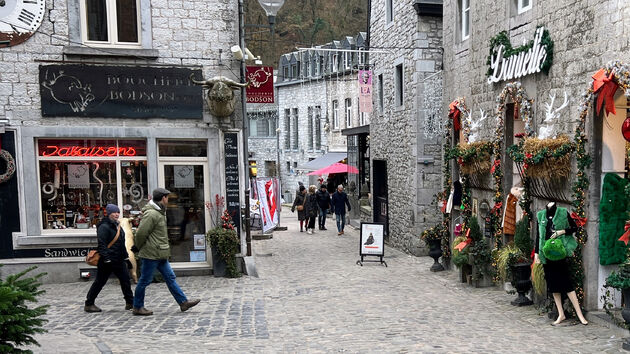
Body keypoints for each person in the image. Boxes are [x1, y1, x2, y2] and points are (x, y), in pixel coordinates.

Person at [132, 188, 200, 316]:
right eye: (167, 198)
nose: (168, 200)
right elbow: (141, 233)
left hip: (160, 252)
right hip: (151, 253)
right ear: (163, 198)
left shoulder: (159, 212)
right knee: (144, 280)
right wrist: (137, 246)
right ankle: (137, 306)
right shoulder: (152, 214)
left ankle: (183, 302)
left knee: (170, 277)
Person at [534, 202, 588, 326]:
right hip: (546, 255)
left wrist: (561, 232)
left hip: (560, 253)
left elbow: (574, 228)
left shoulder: (563, 212)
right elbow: (538, 237)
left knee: (567, 284)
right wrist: (537, 254)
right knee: (553, 286)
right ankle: (561, 314)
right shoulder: (541, 215)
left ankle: (580, 314)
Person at [84, 204, 134, 312]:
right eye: (114, 212)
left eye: (118, 212)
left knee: (125, 281)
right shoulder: (104, 226)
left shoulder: (118, 226)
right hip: (107, 260)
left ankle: (130, 302)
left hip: (118, 259)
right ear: (108, 213)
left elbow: (121, 244)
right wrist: (106, 258)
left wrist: (126, 258)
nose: (116, 214)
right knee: (100, 282)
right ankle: (89, 303)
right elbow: (102, 244)